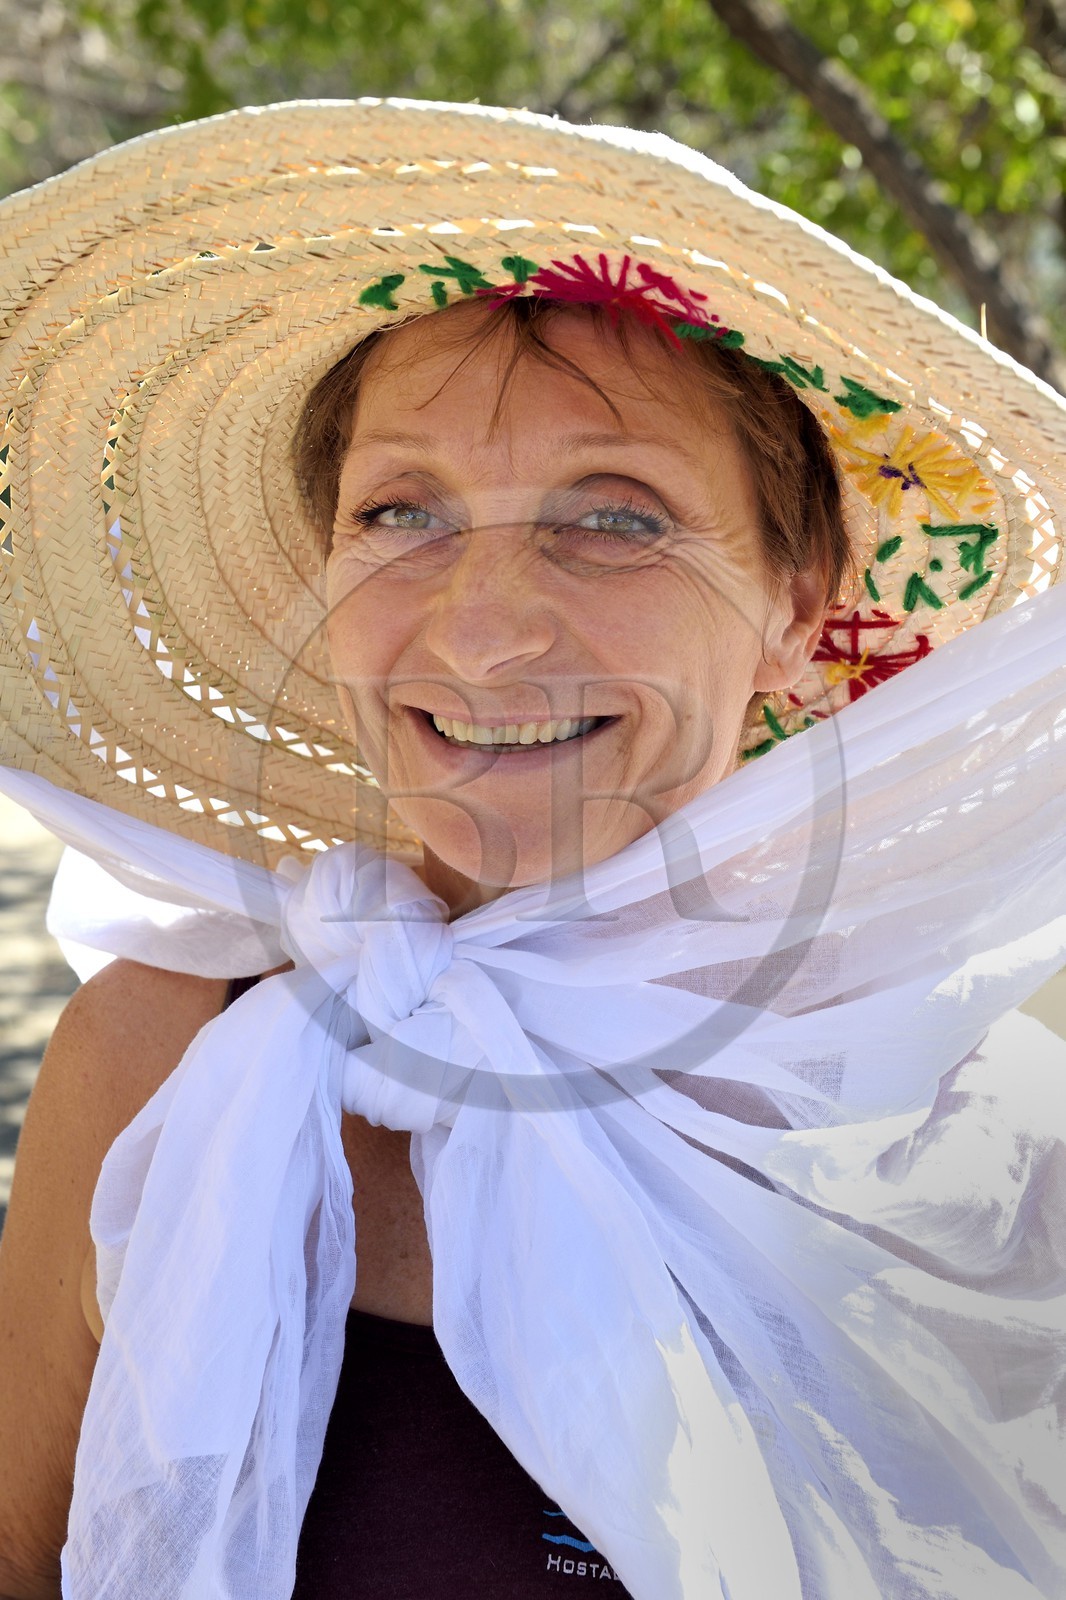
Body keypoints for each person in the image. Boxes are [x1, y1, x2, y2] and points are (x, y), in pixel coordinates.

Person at [0, 99, 1063, 1600]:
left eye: (615, 518)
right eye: (402, 511)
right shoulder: (158, 1062)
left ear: (795, 599)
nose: (485, 630)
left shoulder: (965, 1151)